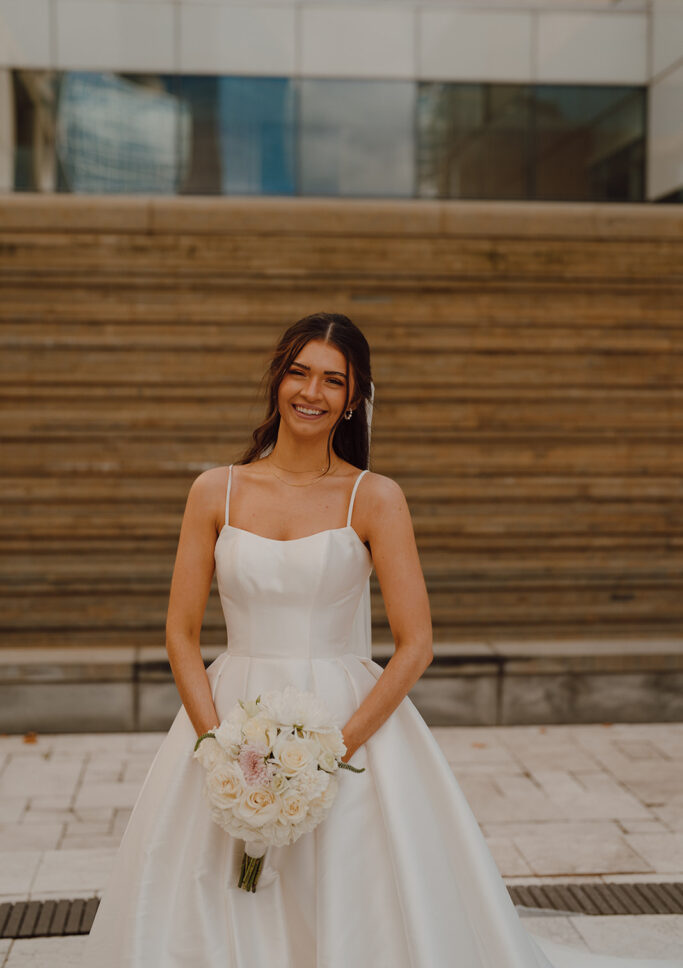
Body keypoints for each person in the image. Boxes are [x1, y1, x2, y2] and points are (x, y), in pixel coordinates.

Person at [81, 312, 682, 967]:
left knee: (351, 884)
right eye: (299, 372)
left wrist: (330, 752)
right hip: (228, 715)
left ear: (352, 400)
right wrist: (215, 748)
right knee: (212, 884)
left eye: (332, 381)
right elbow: (180, 632)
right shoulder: (213, 491)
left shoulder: (374, 498)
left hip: (347, 723)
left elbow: (414, 643)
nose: (311, 392)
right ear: (277, 380)